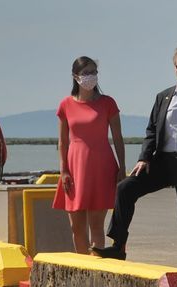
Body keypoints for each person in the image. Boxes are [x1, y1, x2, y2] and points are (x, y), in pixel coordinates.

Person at [91, 46, 177, 271]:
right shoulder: (164, 96)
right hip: (163, 162)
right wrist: (144, 158)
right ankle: (118, 246)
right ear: (174, 67)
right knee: (126, 188)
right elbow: (152, 130)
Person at [52, 56, 126, 254]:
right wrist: (63, 170)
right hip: (75, 166)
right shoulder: (65, 105)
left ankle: (96, 266)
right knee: (76, 227)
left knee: (96, 225)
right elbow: (63, 141)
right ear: (75, 76)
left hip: (101, 165)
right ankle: (81, 266)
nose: (90, 77)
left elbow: (118, 138)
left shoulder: (107, 103)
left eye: (94, 72)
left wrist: (123, 167)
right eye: (86, 73)